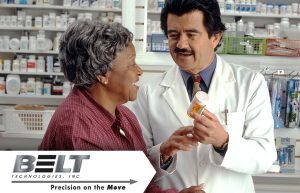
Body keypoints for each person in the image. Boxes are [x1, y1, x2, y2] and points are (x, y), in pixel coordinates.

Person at [38, 20, 204, 193]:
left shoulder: (123, 115)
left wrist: (164, 151)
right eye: (131, 63)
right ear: (102, 74)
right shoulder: (77, 131)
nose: (139, 71)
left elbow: (131, 180)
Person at [131, 0, 277, 192]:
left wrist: (223, 141)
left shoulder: (250, 84)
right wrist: (164, 152)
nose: (181, 44)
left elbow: (264, 158)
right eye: (173, 35)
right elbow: (137, 168)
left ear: (215, 37)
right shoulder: (149, 92)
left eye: (191, 34)